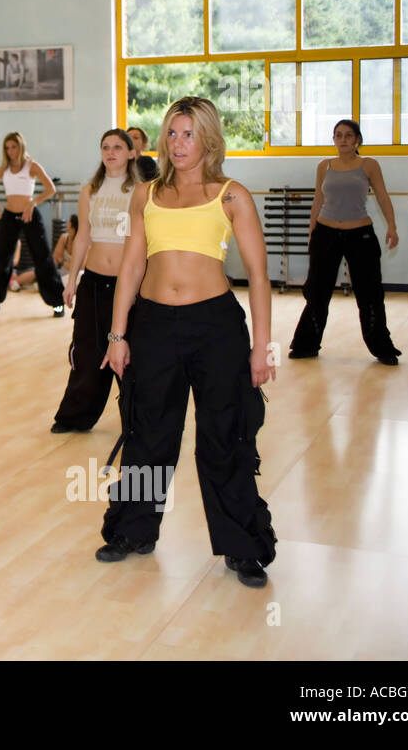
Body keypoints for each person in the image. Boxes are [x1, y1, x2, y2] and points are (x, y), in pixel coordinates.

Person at [98, 97, 277, 588]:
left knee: (223, 438)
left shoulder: (232, 195)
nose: (178, 144)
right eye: (172, 134)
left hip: (215, 327)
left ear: (209, 140)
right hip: (153, 325)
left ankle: (242, 546)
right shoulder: (146, 194)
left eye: (189, 135)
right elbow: (132, 266)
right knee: (148, 434)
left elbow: (259, 277)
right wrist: (118, 334)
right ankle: (134, 529)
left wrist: (262, 347)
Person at [289, 119, 401, 365]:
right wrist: (312, 231)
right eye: (338, 135)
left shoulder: (369, 165)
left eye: (348, 135)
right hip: (326, 233)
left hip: (360, 235)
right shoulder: (324, 166)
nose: (343, 140)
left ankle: (382, 348)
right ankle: (306, 345)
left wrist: (392, 226)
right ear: (334, 140)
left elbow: (382, 196)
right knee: (317, 292)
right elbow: (318, 200)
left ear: (357, 140)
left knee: (370, 293)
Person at [51, 129, 138, 434]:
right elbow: (83, 238)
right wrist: (72, 279)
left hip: (128, 285)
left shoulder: (141, 190)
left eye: (117, 147)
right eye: (105, 147)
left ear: (131, 152)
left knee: (130, 354)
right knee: (87, 351)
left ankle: (137, 422)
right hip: (94, 283)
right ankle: (74, 417)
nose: (111, 152)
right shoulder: (90, 191)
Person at [0, 131, 65, 316]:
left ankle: (57, 303)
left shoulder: (31, 166)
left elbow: (51, 189)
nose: (10, 151)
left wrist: (33, 203)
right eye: (7, 148)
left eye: (14, 147)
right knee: (1, 259)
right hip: (9, 216)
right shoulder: (4, 169)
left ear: (21, 146)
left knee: (43, 258)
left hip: (29, 215)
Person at [52, 214, 80, 281]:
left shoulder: (80, 243)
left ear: (74, 228)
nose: (67, 225)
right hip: (64, 271)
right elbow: (56, 258)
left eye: (69, 223)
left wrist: (64, 263)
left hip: (77, 274)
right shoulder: (64, 238)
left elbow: (80, 266)